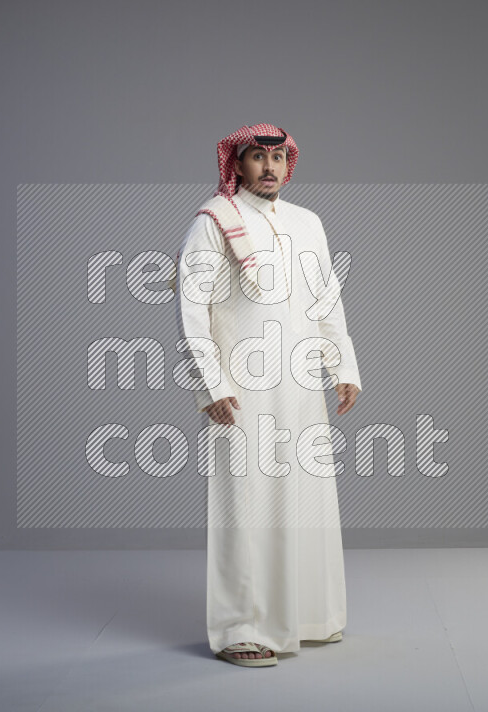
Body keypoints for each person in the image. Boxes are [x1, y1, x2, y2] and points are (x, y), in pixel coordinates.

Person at [173, 123, 362, 667]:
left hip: (302, 386)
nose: (270, 167)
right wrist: (209, 383)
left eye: (278, 157)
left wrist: (342, 365)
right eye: (258, 157)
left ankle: (309, 617)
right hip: (241, 391)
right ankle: (240, 629)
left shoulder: (308, 223)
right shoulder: (215, 222)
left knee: (308, 499)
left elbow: (326, 300)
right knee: (245, 504)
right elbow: (191, 311)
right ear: (237, 164)